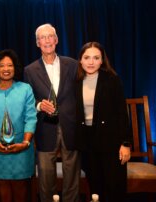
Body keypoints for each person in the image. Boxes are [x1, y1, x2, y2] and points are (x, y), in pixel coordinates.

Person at [24, 23, 80, 202]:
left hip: (70, 126)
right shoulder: (30, 70)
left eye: (50, 36)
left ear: (56, 40)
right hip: (44, 128)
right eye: (42, 37)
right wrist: (40, 106)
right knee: (46, 176)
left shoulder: (72, 64)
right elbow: (27, 100)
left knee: (72, 172)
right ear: (37, 43)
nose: (47, 40)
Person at [0, 49, 37, 202]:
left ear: (15, 68)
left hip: (22, 147)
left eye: (10, 65)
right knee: (2, 184)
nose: (6, 69)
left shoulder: (25, 89)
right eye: (2, 65)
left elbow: (31, 118)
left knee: (20, 185)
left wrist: (25, 142)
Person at [75, 42, 131, 202]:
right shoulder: (76, 81)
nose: (91, 62)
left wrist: (126, 143)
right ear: (80, 60)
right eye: (87, 57)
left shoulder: (112, 80)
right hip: (87, 142)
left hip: (111, 142)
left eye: (96, 58)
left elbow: (122, 113)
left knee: (114, 188)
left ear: (102, 61)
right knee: (95, 189)